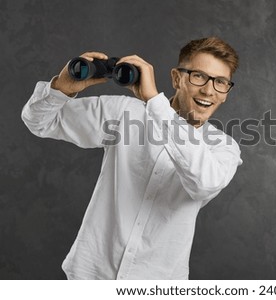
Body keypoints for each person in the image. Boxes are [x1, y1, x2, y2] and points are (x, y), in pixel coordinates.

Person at [21, 37, 242, 280]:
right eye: (198, 76)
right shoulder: (124, 113)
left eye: (220, 82)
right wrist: (62, 88)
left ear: (226, 93)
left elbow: (203, 184)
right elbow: (40, 122)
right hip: (89, 277)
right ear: (177, 78)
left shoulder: (223, 147)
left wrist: (154, 102)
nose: (209, 90)